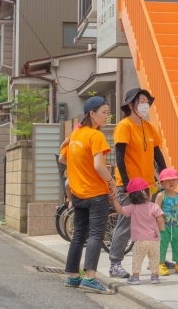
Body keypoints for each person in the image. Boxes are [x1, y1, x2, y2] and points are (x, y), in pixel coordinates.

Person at [59, 96, 116, 295]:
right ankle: (90, 278)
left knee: (79, 235)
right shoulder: (95, 136)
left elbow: (62, 159)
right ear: (92, 114)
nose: (106, 116)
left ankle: (73, 276)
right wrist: (112, 181)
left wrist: (80, 170)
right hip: (96, 193)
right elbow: (99, 165)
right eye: (104, 113)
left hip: (78, 194)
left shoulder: (75, 135)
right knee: (95, 235)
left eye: (107, 113)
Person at [109, 88, 168, 278]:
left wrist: (165, 174)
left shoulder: (149, 127)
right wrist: (125, 184)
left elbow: (157, 152)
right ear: (131, 104)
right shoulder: (124, 126)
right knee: (125, 223)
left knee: (150, 224)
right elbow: (119, 155)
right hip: (130, 185)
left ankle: (154, 259)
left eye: (147, 101)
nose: (146, 104)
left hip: (147, 185)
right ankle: (115, 263)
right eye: (141, 100)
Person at [110, 177, 165, 285]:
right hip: (154, 239)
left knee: (137, 259)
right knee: (154, 258)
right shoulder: (154, 206)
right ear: (145, 193)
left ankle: (135, 278)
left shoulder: (133, 207)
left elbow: (120, 210)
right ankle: (154, 277)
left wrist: (114, 199)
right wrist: (161, 228)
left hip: (140, 240)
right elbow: (160, 219)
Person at [155, 167, 178, 276]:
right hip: (164, 226)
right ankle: (160, 263)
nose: (171, 182)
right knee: (162, 245)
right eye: (168, 180)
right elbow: (156, 211)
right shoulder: (161, 196)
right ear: (162, 183)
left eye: (174, 179)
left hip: (177, 226)